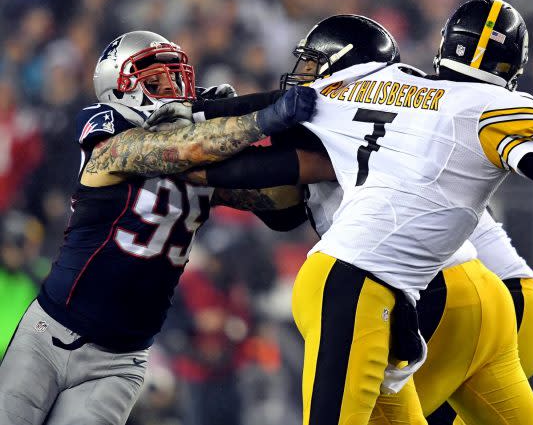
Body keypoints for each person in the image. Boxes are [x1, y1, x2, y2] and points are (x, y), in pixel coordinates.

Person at [150, 4, 533, 424]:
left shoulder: (377, 92)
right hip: (477, 298)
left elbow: (267, 151)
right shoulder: (436, 93)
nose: (302, 73)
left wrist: (179, 133)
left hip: (373, 283)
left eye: (314, 64)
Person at [0, 30, 316, 425]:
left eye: (177, 78)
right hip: (49, 336)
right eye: (155, 81)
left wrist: (286, 135)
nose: (173, 91)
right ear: (119, 88)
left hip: (120, 360)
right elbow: (172, 151)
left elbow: (284, 205)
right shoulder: (110, 138)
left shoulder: (201, 162)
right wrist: (261, 119)